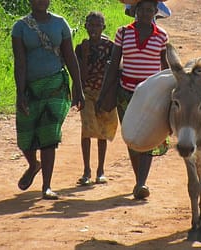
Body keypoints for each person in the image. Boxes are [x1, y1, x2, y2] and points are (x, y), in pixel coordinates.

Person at [12, 0, 84, 200]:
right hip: (30, 88)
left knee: (49, 136)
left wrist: (78, 88)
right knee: (25, 138)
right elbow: (20, 62)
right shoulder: (20, 27)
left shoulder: (60, 23)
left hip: (56, 85)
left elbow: (70, 57)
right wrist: (20, 93)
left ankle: (47, 186)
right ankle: (33, 164)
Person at [96, 0, 169, 200]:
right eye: (142, 10)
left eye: (150, 10)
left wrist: (169, 93)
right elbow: (114, 65)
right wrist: (103, 94)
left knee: (147, 137)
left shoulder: (162, 36)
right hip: (125, 93)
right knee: (132, 137)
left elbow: (165, 68)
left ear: (155, 12)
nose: (146, 14)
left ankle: (141, 182)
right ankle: (140, 180)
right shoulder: (123, 33)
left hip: (151, 95)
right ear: (135, 11)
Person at [75, 12, 118, 186]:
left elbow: (114, 72)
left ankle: (101, 170)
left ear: (103, 27)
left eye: (97, 25)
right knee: (86, 130)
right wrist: (85, 54)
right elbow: (81, 76)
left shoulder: (110, 47)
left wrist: (109, 96)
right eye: (90, 25)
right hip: (87, 93)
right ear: (85, 27)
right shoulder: (80, 48)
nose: (94, 29)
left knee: (103, 131)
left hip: (105, 93)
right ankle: (86, 171)